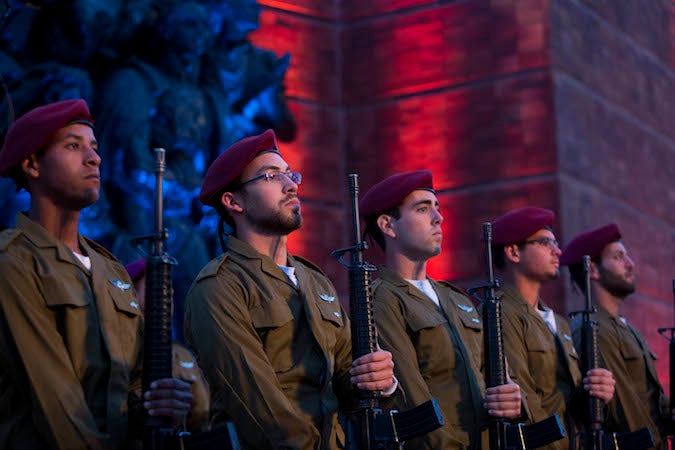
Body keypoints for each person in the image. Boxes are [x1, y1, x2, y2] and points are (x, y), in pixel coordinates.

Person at [184, 129, 395, 450]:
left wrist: (380, 379)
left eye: (290, 174)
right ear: (233, 201)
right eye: (271, 176)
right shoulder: (219, 287)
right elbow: (256, 405)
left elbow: (348, 382)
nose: (291, 185)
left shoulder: (314, 280)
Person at [0, 99, 192, 449]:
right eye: (73, 146)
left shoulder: (110, 270)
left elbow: (126, 382)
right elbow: (54, 397)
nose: (94, 158)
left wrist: (156, 403)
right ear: (31, 165)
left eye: (94, 147)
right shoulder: (12, 260)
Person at [359, 170, 523, 449]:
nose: (439, 218)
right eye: (423, 209)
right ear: (388, 225)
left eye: (437, 208)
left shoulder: (455, 298)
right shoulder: (382, 300)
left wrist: (510, 395)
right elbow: (412, 397)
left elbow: (493, 375)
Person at [490, 206, 616, 450]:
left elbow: (568, 399)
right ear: (514, 252)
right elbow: (523, 402)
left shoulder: (559, 323)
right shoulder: (502, 313)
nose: (557, 251)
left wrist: (597, 393)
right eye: (544, 243)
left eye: (555, 243)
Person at [560, 223, 670, 448]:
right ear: (592, 269)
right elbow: (626, 409)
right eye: (619, 257)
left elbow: (649, 400)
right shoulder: (594, 330)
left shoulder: (625, 328)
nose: (630, 264)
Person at [125, 258, 211, 433]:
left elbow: (203, 417)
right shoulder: (120, 350)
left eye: (168, 285)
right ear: (131, 294)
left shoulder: (183, 354)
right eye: (157, 284)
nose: (168, 291)